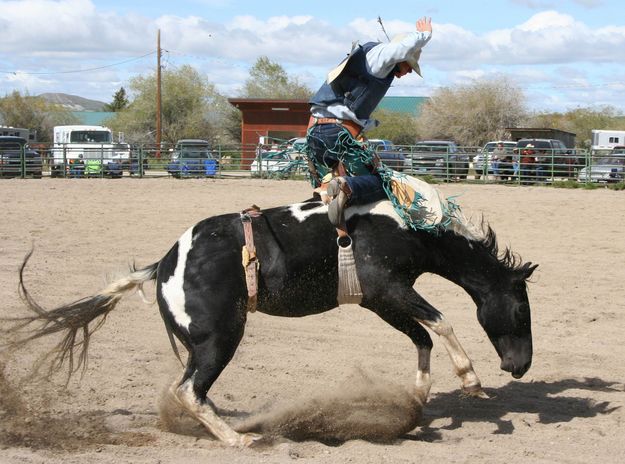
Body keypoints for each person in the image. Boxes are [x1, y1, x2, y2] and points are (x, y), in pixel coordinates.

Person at [306, 17, 433, 228]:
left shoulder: (367, 67)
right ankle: (344, 185)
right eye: (410, 65)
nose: (409, 71)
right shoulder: (380, 58)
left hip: (318, 134)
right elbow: (400, 49)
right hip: (338, 135)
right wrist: (424, 35)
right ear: (402, 56)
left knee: (326, 188)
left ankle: (332, 194)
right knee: (382, 184)